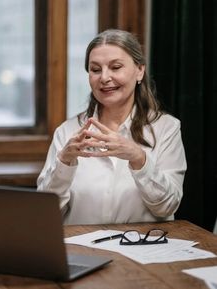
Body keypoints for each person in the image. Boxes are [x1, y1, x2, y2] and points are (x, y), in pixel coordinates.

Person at [37, 29, 187, 225]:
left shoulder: (166, 128)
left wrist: (139, 158)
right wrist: (64, 161)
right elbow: (45, 213)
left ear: (139, 70)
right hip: (82, 252)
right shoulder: (67, 131)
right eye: (95, 69)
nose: (104, 78)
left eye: (115, 67)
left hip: (141, 250)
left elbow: (167, 206)